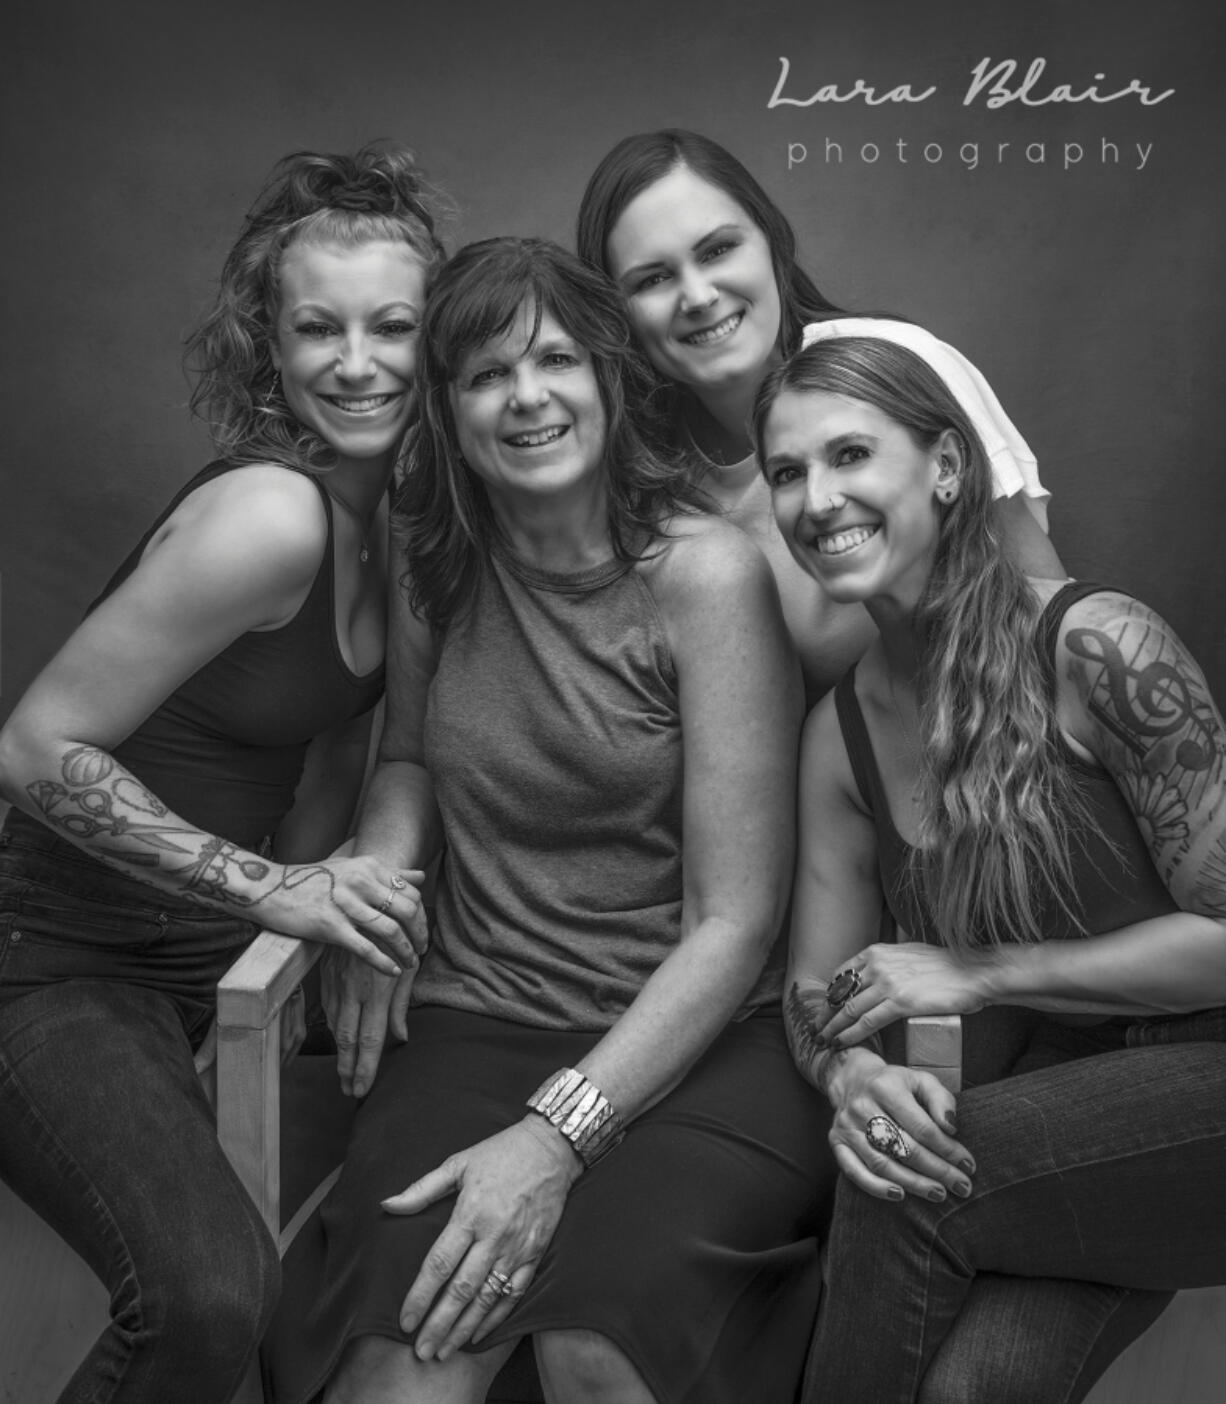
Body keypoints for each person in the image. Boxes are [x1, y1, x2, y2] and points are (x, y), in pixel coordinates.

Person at [264, 237, 831, 1404]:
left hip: (702, 1040)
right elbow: (411, 759)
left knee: (595, 1360)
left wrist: (554, 1138)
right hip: (482, 1016)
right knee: (406, 1366)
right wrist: (377, 875)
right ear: (446, 407)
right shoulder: (441, 565)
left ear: (608, 382)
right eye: (483, 375)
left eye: (556, 360)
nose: (526, 398)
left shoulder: (704, 577)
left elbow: (734, 922)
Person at [0, 143, 445, 1403]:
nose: (355, 365)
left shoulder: (399, 521)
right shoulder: (273, 514)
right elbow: (35, 748)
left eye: (393, 327)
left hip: (218, 968)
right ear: (270, 343)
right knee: (206, 1299)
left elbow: (365, 754)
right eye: (318, 330)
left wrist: (343, 911)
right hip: (54, 965)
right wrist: (272, 894)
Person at [751, 331, 1226, 1403]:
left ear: (947, 468)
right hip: (1054, 1135)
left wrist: (984, 971)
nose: (816, 499)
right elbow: (811, 988)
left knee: (901, 1189)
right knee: (974, 1386)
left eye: (848, 456)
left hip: (1202, 1088)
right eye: (786, 473)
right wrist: (849, 1073)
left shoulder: (1095, 647)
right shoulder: (840, 736)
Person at [576, 128, 1065, 704]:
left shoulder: (892, 365)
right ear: (616, 311)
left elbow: (1052, 615)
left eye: (717, 250)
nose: (699, 295)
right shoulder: (640, 477)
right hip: (846, 781)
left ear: (772, 242)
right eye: (653, 278)